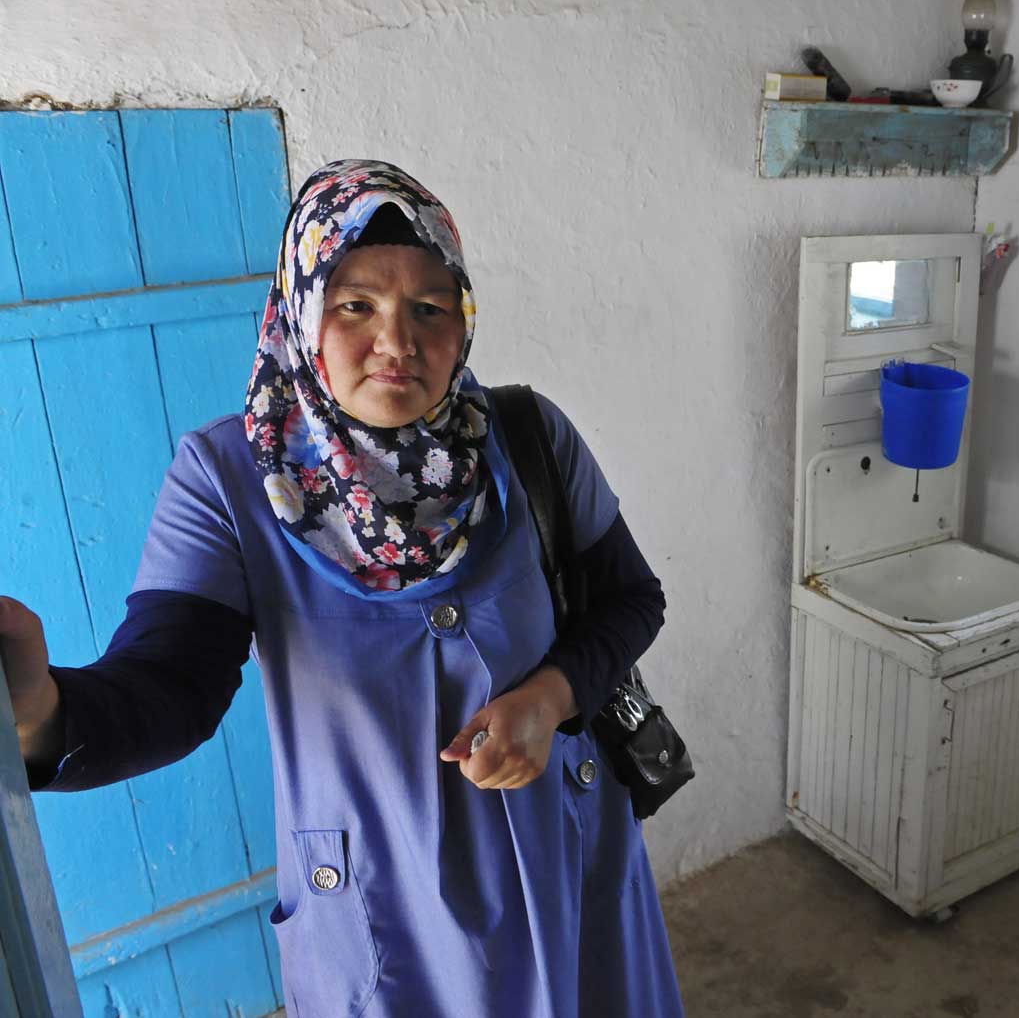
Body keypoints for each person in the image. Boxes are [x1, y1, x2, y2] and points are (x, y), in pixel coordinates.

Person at [0, 159, 684, 1016]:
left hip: (565, 845)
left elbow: (632, 599)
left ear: (462, 320)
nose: (396, 343)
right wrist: (39, 707)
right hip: (380, 897)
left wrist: (550, 697)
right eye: (355, 304)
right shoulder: (229, 479)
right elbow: (171, 684)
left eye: (429, 308)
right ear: (300, 310)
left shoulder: (529, 437)